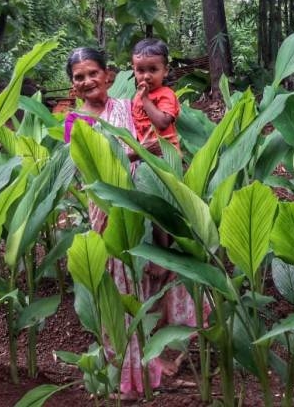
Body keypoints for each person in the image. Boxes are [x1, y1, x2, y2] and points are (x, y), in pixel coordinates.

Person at [63, 47, 199, 400]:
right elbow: (85, 168)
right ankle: (132, 376)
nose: (88, 81)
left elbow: (161, 133)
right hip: (109, 211)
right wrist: (137, 153)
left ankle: (163, 362)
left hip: (145, 201)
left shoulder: (128, 106)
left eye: (93, 73)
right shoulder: (75, 123)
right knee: (124, 290)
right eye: (80, 77)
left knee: (160, 281)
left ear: (108, 75)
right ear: (73, 85)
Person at [131, 38, 180, 154]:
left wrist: (145, 98)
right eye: (140, 70)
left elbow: (162, 123)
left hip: (165, 154)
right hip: (144, 153)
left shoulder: (166, 94)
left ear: (165, 71)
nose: (146, 76)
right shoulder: (137, 96)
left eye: (153, 69)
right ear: (134, 70)